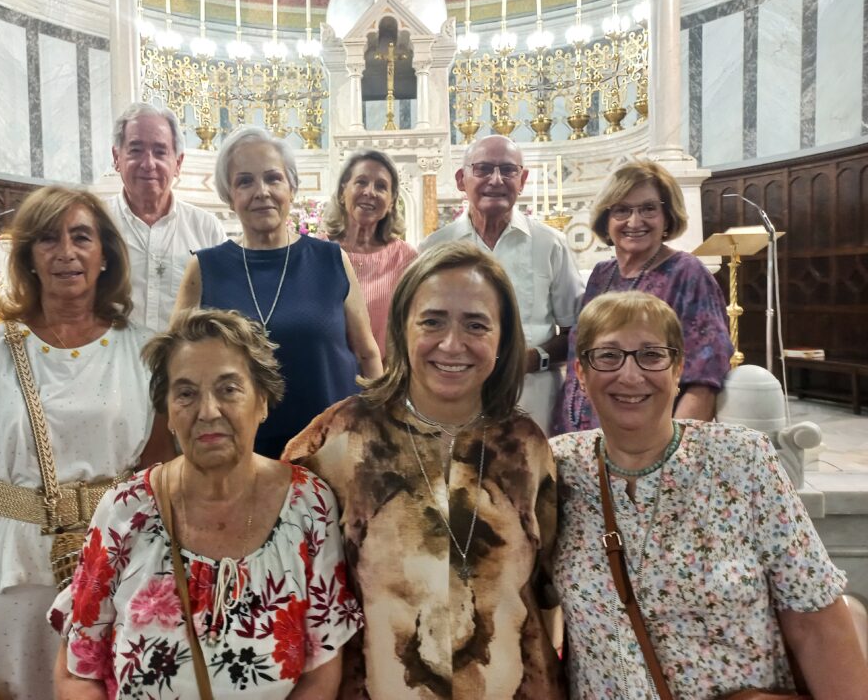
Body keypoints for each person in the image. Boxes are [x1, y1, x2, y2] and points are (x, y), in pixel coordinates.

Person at [0, 186, 174, 697]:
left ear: (105, 254)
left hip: (119, 569)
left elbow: (160, 482)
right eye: (47, 239)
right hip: (8, 577)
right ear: (28, 258)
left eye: (82, 236)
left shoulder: (147, 352)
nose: (66, 252)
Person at [550, 291, 868, 699]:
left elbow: (815, 620)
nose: (630, 375)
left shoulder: (741, 459)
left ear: (679, 368)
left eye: (651, 355)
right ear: (580, 372)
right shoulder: (559, 467)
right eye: (608, 356)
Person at [285, 242, 565, 699]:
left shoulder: (524, 447)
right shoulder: (339, 438)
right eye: (432, 321)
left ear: (503, 339)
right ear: (401, 326)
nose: (452, 344)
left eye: (476, 325)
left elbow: (546, 589)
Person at [51, 307, 362, 699]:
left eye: (228, 389)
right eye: (186, 393)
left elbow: (321, 671)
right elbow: (77, 669)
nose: (208, 411)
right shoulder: (126, 509)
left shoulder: (308, 506)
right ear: (167, 413)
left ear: (263, 402)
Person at [175, 127, 382, 458]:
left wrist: (377, 433)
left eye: (273, 178)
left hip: (331, 453)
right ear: (229, 196)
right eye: (245, 181)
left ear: (292, 187)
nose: (262, 192)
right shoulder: (204, 269)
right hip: (238, 458)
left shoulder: (330, 260)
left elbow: (368, 354)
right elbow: (178, 370)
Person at [552, 158, 732, 434]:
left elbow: (704, 380)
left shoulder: (686, 274)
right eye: (622, 210)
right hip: (581, 438)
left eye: (648, 209)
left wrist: (673, 455)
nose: (634, 221)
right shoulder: (602, 275)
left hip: (645, 444)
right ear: (606, 218)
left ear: (667, 216)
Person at [420, 135, 583, 436]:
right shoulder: (434, 248)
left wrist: (533, 358)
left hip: (534, 405)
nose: (496, 180)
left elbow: (577, 330)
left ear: (522, 180)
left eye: (508, 170)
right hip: (456, 403)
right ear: (461, 179)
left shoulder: (550, 244)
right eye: (482, 169)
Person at [108, 102, 226, 329]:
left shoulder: (206, 229)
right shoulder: (95, 223)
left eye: (160, 152)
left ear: (178, 163)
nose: (148, 164)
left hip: (186, 363)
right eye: (136, 150)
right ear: (117, 157)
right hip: (111, 362)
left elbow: (222, 310)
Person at [323, 148, 417, 358]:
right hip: (330, 378)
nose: (370, 192)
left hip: (387, 380)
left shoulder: (405, 258)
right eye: (361, 182)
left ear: (391, 201)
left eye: (381, 186)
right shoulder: (316, 253)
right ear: (342, 191)